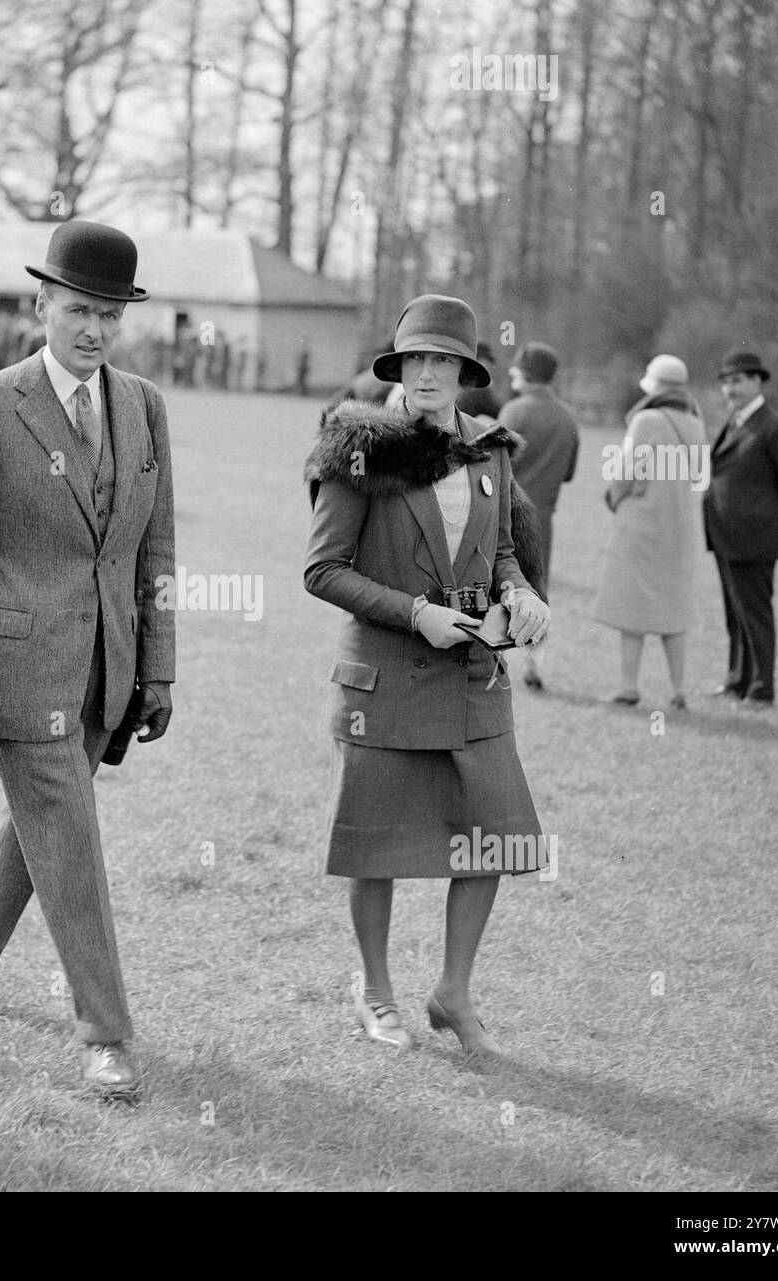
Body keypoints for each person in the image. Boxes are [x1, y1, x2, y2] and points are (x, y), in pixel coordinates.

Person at [0, 221, 176, 1096]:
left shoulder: (142, 405)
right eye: (79, 309)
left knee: (45, 828)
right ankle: (106, 1034)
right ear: (42, 304)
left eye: (110, 315)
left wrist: (158, 666)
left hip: (112, 669)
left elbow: (154, 550)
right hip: (23, 671)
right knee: (72, 836)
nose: (93, 329)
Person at [303, 294, 550, 1059]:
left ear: (465, 370)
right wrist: (416, 613)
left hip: (473, 677)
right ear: (399, 367)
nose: (429, 372)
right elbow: (322, 569)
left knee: (499, 841)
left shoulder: (489, 446)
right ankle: (374, 989)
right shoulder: (359, 445)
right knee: (376, 847)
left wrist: (521, 592)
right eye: (417, 359)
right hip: (384, 677)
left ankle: (452, 991)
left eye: (444, 359)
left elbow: (503, 544)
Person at [592, 355, 706, 708]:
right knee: (675, 611)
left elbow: (624, 472)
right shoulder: (696, 423)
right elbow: (699, 477)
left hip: (642, 528)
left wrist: (615, 496)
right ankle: (678, 690)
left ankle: (629, 686)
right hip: (680, 529)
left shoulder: (646, 419)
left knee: (633, 607)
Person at [703, 350, 778, 708]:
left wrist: (775, 526)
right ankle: (737, 681)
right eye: (726, 382)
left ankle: (762, 689)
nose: (730, 389)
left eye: (739, 380)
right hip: (725, 535)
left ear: (758, 381)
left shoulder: (775, 429)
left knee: (755, 613)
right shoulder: (734, 422)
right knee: (735, 614)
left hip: (755, 538)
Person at [498, 340, 579, 691]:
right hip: (542, 517)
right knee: (536, 594)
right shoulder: (568, 417)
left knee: (490, 586)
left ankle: (493, 659)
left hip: (504, 514)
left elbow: (492, 464)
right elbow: (569, 472)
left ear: (526, 372)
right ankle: (534, 665)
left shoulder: (514, 411)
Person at [454, 341, 504, 422]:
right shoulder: (479, 389)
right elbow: (500, 413)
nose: (488, 366)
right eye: (484, 362)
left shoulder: (460, 381)